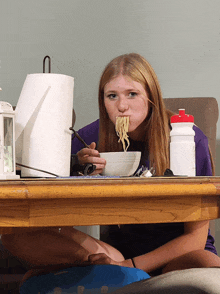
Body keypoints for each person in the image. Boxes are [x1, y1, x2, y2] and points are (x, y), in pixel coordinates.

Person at [2, 53, 220, 293]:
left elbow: (196, 239)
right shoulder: (95, 136)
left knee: (208, 264)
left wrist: (131, 265)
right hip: (115, 252)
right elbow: (37, 172)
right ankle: (97, 269)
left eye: (132, 94)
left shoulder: (185, 138)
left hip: (176, 255)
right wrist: (76, 166)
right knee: (13, 231)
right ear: (103, 101)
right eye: (112, 96)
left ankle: (112, 274)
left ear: (152, 97)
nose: (122, 106)